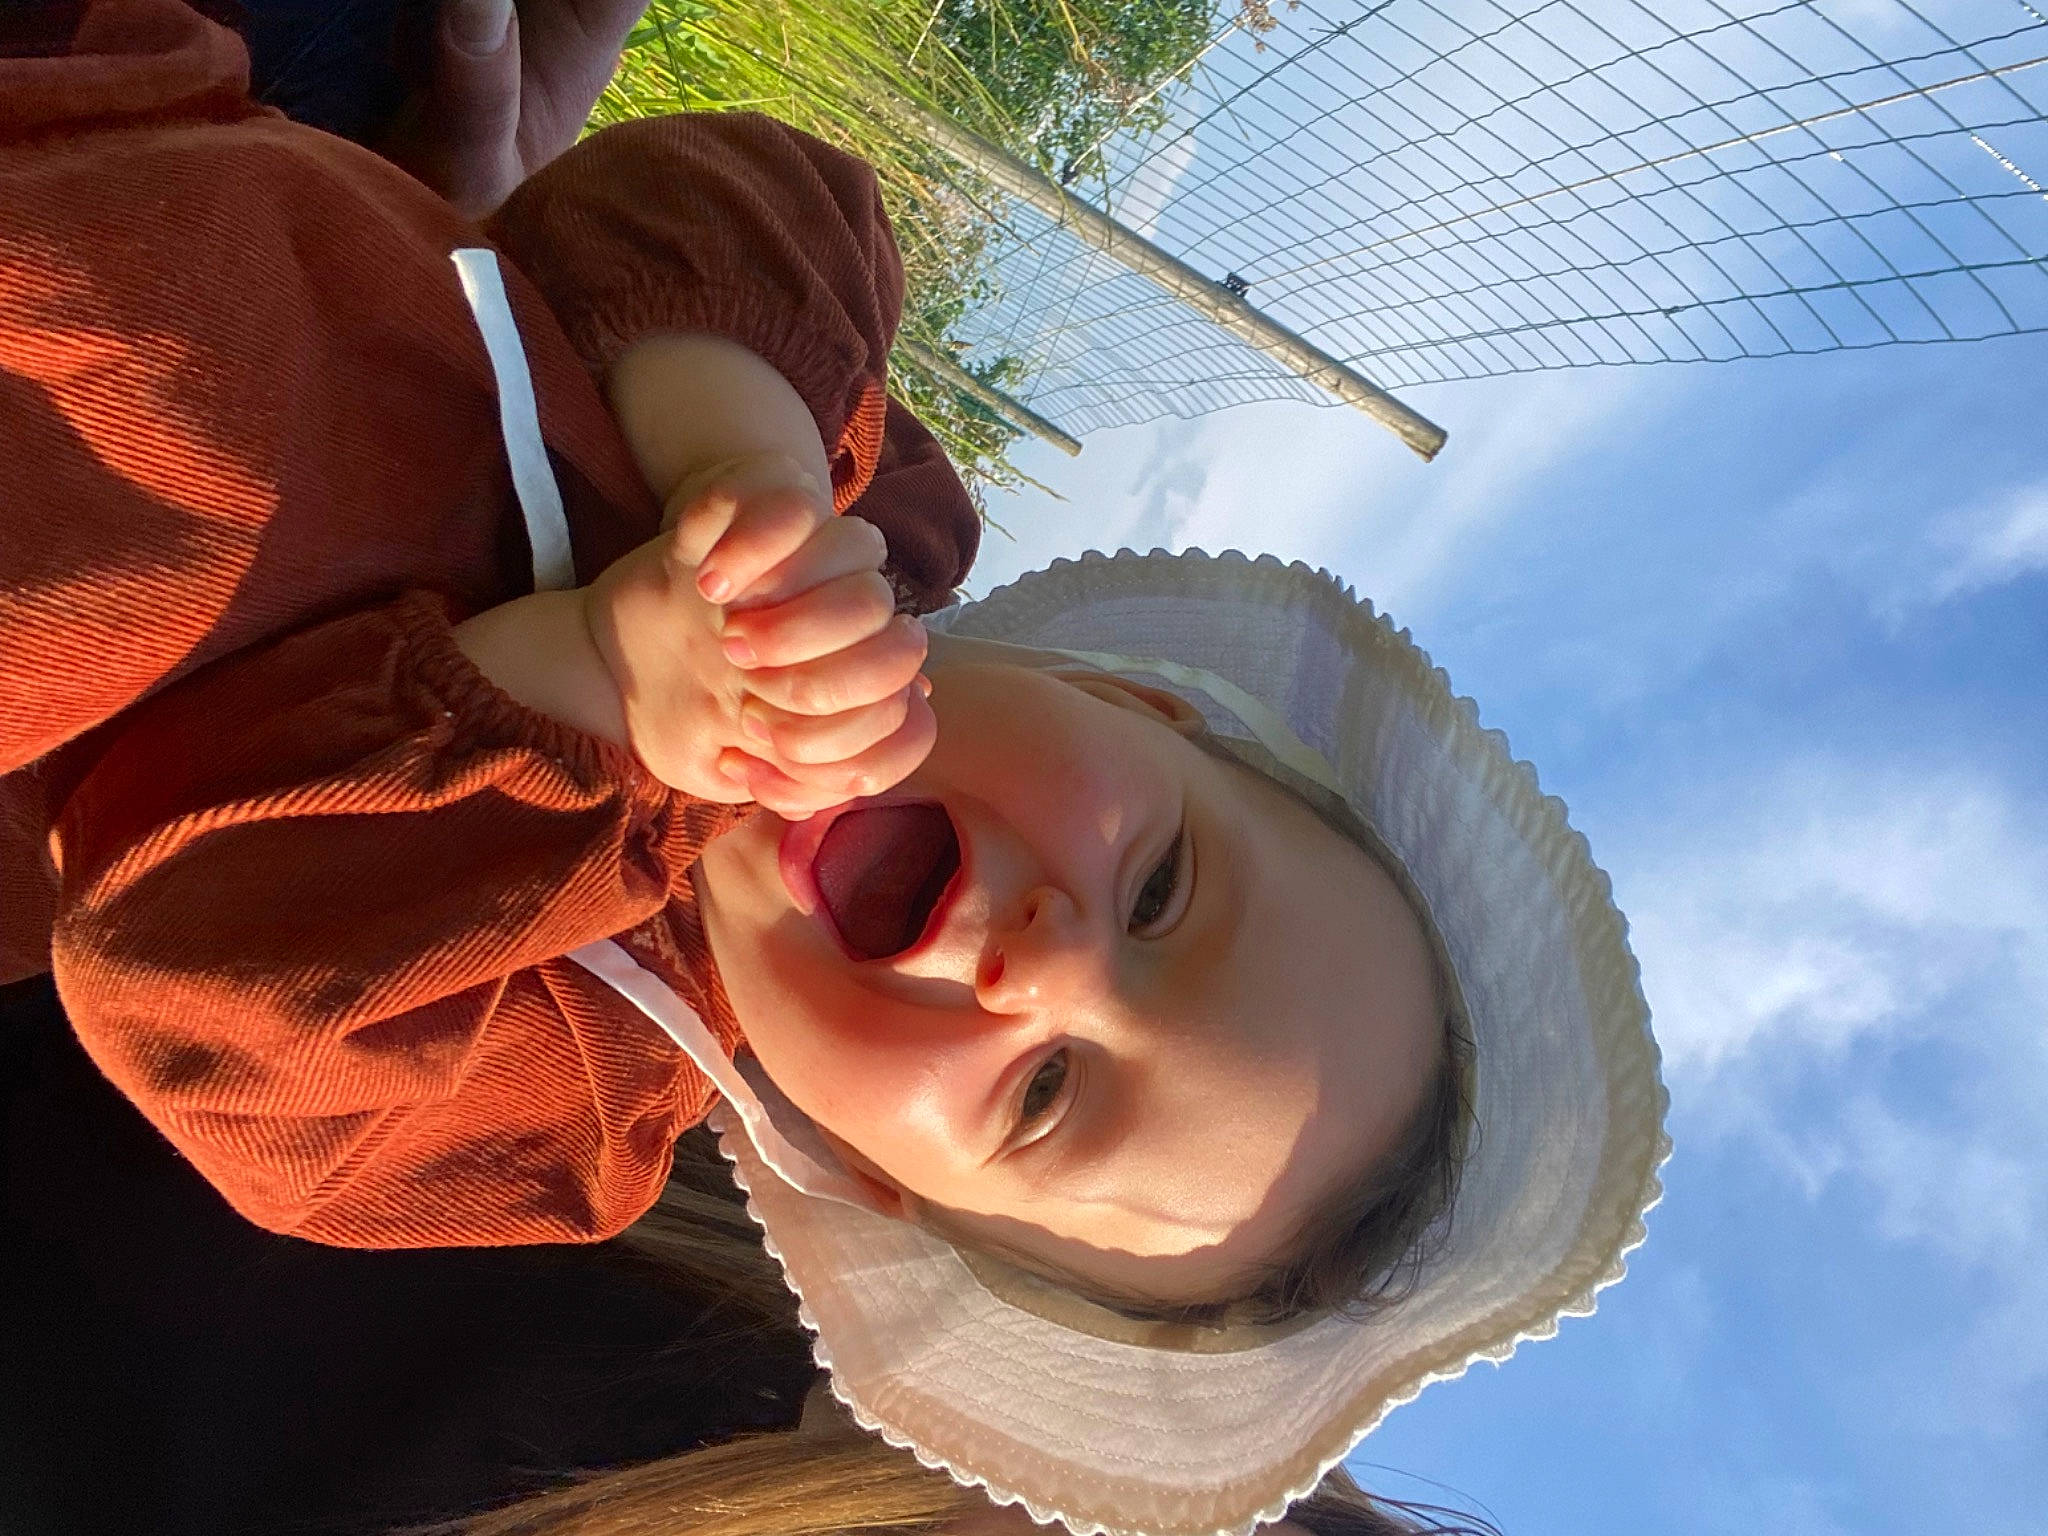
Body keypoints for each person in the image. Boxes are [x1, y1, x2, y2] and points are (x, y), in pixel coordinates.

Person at [1, 5, 1669, 1532]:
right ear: (1131, 704)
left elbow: (181, 975)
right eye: (1162, 887)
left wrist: (591, 700)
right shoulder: (877, 523)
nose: (1052, 965)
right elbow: (741, 202)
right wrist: (744, 462)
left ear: (877, 1180)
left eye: (1045, 1094)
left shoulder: (558, 1099)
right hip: (107, 118)